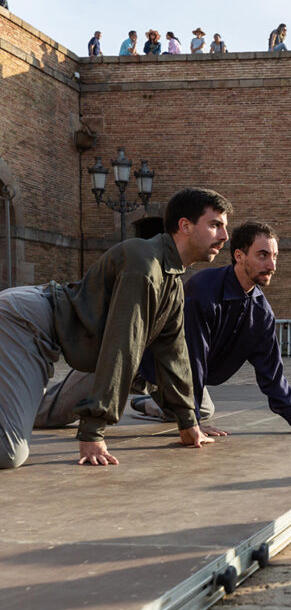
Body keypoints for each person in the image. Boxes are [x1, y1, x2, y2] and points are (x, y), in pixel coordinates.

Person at [0, 187, 230, 469]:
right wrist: (93, 431)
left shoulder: (171, 280)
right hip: (23, 322)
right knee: (8, 452)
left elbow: (173, 354)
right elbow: (122, 346)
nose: (224, 236)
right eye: (215, 225)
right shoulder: (145, 266)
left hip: (42, 331)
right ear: (185, 225)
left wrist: (188, 422)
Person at [39, 222, 291, 438]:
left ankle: (148, 402)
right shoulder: (204, 290)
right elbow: (189, 354)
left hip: (170, 374)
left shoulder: (261, 312)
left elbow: (271, 369)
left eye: (274, 256)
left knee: (203, 410)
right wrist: (188, 421)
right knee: (46, 416)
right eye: (262, 255)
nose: (271, 265)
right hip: (128, 357)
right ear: (239, 256)